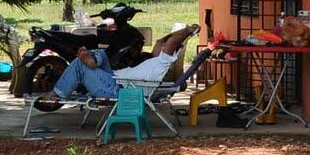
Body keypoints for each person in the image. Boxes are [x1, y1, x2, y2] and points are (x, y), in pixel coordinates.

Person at [35, 23, 198, 110]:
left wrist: (189, 30)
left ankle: (58, 94)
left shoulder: (163, 61)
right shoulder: (156, 59)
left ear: (166, 50)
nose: (156, 45)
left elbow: (172, 41)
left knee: (79, 64)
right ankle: (91, 58)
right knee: (102, 54)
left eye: (161, 45)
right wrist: (186, 31)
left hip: (118, 89)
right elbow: (164, 41)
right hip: (116, 78)